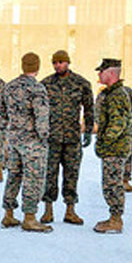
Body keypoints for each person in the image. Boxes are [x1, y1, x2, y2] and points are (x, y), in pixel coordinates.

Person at [39, 50, 94, 225]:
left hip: (72, 138)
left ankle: (70, 210)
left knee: (71, 175)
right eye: (55, 63)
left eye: (61, 62)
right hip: (52, 138)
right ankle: (48, 211)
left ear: (68, 63)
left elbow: (89, 108)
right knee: (49, 174)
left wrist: (88, 130)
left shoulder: (81, 83)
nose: (58, 65)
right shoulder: (46, 84)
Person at [0, 53, 52, 232]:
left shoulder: (9, 87)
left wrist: (11, 131)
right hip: (32, 142)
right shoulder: (37, 89)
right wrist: (44, 137)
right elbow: (41, 117)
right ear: (37, 67)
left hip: (14, 140)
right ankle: (29, 217)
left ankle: (8, 214)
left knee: (13, 175)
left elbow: (3, 114)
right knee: (33, 178)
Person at [93, 58, 132, 234]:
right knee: (110, 183)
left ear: (110, 73)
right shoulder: (113, 93)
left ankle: (116, 220)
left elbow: (118, 123)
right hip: (115, 147)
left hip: (115, 148)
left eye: (101, 71)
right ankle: (114, 217)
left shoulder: (117, 95)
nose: (99, 75)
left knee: (112, 184)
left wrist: (104, 141)